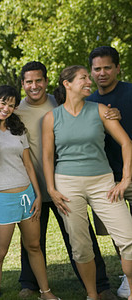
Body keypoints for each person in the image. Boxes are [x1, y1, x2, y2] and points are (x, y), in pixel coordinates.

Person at [16, 61, 116, 300]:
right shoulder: (16, 111)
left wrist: (112, 114)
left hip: (66, 184)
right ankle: (28, 283)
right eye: (29, 82)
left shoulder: (58, 103)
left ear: (46, 81)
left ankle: (100, 285)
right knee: (31, 239)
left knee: (81, 235)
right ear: (22, 85)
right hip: (33, 187)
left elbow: (86, 114)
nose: (34, 86)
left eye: (38, 80)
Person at [42, 65, 132, 300]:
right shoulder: (51, 117)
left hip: (103, 183)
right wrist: (51, 188)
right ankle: (92, 295)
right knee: (81, 246)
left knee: (128, 238)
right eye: (83, 78)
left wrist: (125, 179)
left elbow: (126, 143)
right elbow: (48, 156)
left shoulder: (101, 110)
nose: (89, 81)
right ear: (67, 83)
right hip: (68, 185)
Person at [0, 85, 59, 300]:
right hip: (3, 199)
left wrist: (38, 195)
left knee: (34, 246)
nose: (7, 108)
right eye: (3, 103)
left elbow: (28, 165)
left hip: (27, 196)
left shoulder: (17, 129)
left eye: (11, 105)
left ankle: (45, 292)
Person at [87, 46, 132, 299]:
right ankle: (128, 277)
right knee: (119, 232)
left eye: (106, 67)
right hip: (106, 178)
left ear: (117, 68)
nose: (102, 73)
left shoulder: (130, 92)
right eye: (97, 69)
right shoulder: (89, 103)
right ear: (91, 72)